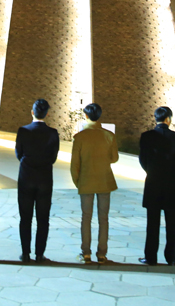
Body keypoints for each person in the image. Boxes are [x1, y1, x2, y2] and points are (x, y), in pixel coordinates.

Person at [70, 103, 119, 264]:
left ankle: (86, 253)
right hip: (105, 181)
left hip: (86, 181)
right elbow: (114, 158)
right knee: (103, 218)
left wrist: (78, 182)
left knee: (86, 218)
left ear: (86, 116)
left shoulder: (80, 137)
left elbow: (74, 165)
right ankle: (102, 254)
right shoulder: (109, 135)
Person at [14, 99, 60, 263]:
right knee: (43, 219)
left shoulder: (23, 131)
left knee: (25, 218)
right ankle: (39, 254)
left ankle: (25, 253)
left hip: (26, 178)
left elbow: (19, 154)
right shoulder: (53, 133)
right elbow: (54, 157)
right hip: (45, 179)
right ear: (47, 113)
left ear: (32, 112)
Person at [138, 106, 175, 265]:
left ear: (155, 118)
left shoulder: (146, 136)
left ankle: (150, 257)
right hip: (171, 184)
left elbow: (142, 160)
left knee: (152, 223)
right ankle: (170, 257)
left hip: (153, 183)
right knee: (172, 224)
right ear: (169, 119)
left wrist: (151, 171)